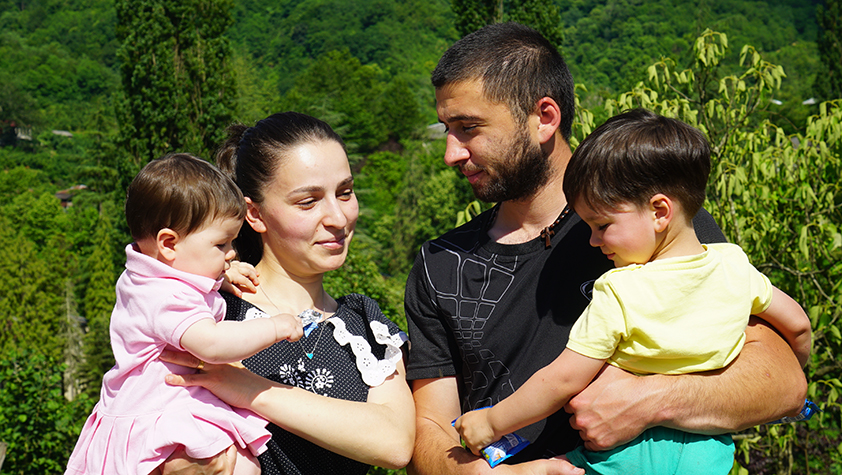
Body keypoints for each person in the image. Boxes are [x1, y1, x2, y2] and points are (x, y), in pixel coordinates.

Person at [404, 22, 808, 475]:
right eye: (446, 129)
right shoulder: (439, 264)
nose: (451, 153)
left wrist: (652, 401)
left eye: (468, 128)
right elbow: (428, 430)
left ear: (545, 118)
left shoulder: (655, 226)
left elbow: (785, 384)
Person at [160, 112, 415, 475]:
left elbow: (395, 442)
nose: (339, 219)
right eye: (308, 202)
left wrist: (247, 388)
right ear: (255, 213)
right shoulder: (208, 315)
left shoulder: (365, 326)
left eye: (345, 193)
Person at [65, 153, 305, 475]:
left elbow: (184, 275)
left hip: (161, 406)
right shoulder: (165, 296)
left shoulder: (148, 275)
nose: (231, 252)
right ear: (168, 244)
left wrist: (221, 275)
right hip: (160, 414)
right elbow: (213, 344)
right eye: (221, 245)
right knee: (241, 467)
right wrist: (275, 326)